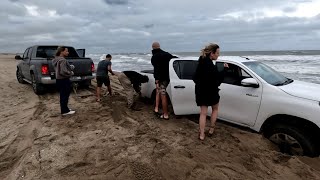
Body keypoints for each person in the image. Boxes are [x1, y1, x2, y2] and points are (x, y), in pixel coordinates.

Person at [193, 43, 228, 140]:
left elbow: (194, 78)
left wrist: (201, 85)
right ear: (211, 53)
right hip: (212, 92)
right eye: (217, 53)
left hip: (201, 92)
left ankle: (201, 135)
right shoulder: (211, 66)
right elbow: (218, 80)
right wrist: (225, 70)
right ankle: (211, 129)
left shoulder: (200, 63)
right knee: (215, 109)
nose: (218, 55)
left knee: (203, 113)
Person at [151, 42, 177, 120]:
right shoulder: (167, 54)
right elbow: (175, 58)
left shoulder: (154, 57)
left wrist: (156, 79)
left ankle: (165, 114)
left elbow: (156, 69)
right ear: (159, 47)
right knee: (159, 92)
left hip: (160, 79)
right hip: (167, 78)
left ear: (152, 48)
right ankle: (156, 108)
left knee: (162, 95)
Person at [52, 46, 75, 116]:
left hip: (59, 79)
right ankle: (65, 111)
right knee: (65, 95)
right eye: (66, 51)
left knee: (63, 95)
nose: (68, 52)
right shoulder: (63, 60)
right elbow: (63, 71)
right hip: (64, 79)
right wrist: (71, 73)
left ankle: (65, 108)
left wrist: (69, 67)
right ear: (61, 52)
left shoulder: (56, 59)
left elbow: (60, 69)